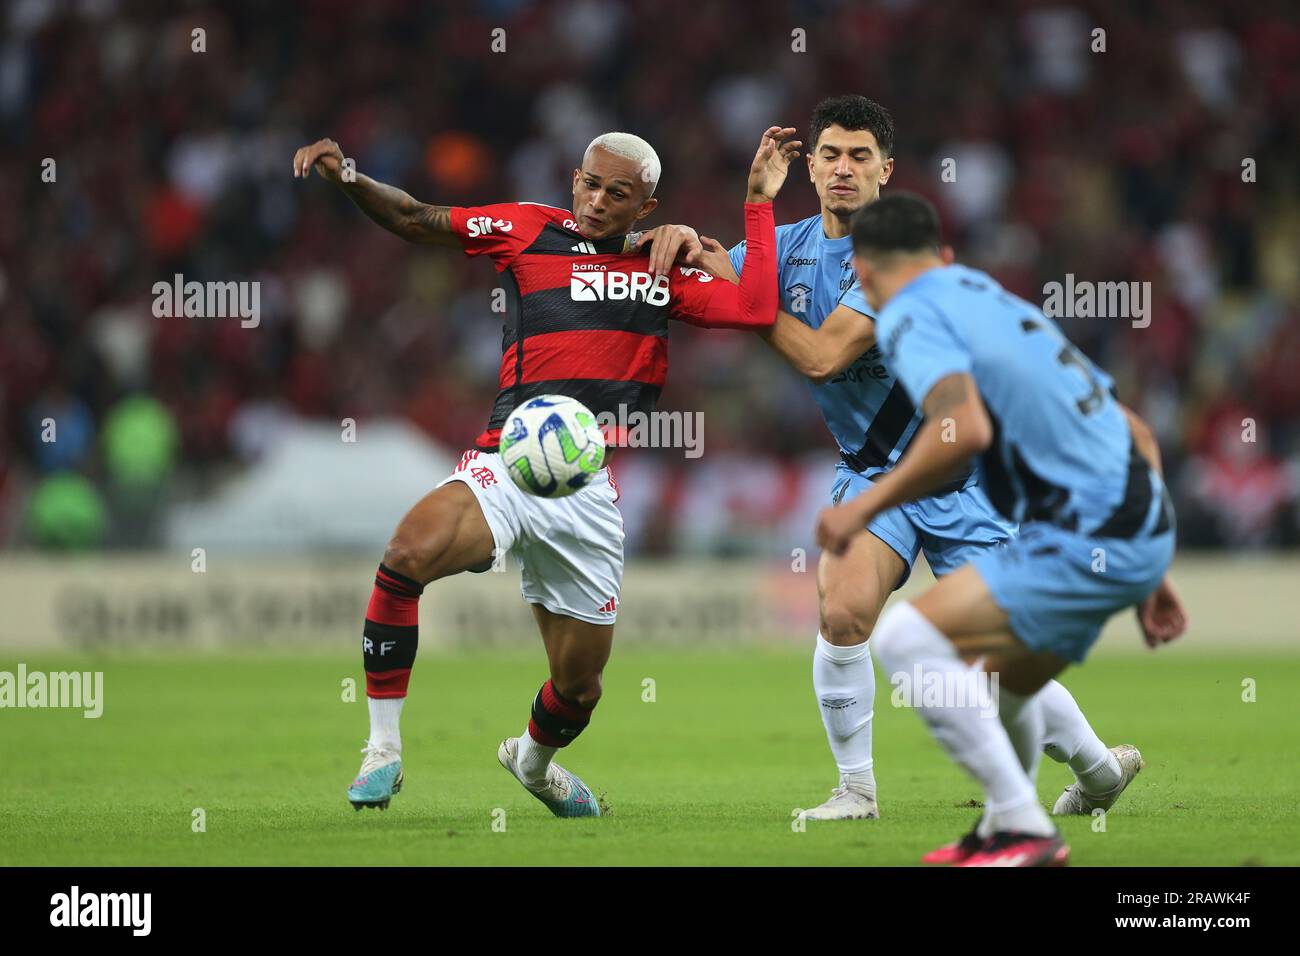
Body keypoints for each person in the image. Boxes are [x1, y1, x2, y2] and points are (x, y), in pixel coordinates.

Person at [641, 96, 1136, 825]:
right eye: (831, 155)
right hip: (875, 476)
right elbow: (704, 278)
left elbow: (820, 356)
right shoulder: (788, 247)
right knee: (842, 612)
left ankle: (1098, 771)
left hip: (958, 472)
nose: (844, 169)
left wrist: (745, 296)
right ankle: (856, 791)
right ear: (809, 166)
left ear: (887, 170)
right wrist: (676, 238)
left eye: (860, 156)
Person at [291, 126, 797, 816]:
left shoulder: (666, 267)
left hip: (586, 492)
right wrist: (349, 176)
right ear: (573, 179)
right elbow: (415, 218)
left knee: (580, 687)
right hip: (506, 460)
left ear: (644, 206)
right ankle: (382, 751)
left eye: (618, 194)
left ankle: (532, 764)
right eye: (589, 183)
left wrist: (757, 201)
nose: (596, 201)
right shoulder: (528, 230)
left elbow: (756, 308)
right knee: (406, 554)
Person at [815, 192, 1187, 865]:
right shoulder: (995, 305)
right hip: (1134, 521)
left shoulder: (907, 317)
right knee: (1004, 675)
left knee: (907, 639)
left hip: (1087, 531)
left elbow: (962, 431)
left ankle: (1025, 830)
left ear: (864, 277)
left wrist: (863, 507)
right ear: (946, 257)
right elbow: (1134, 428)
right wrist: (1152, 565)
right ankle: (1006, 826)